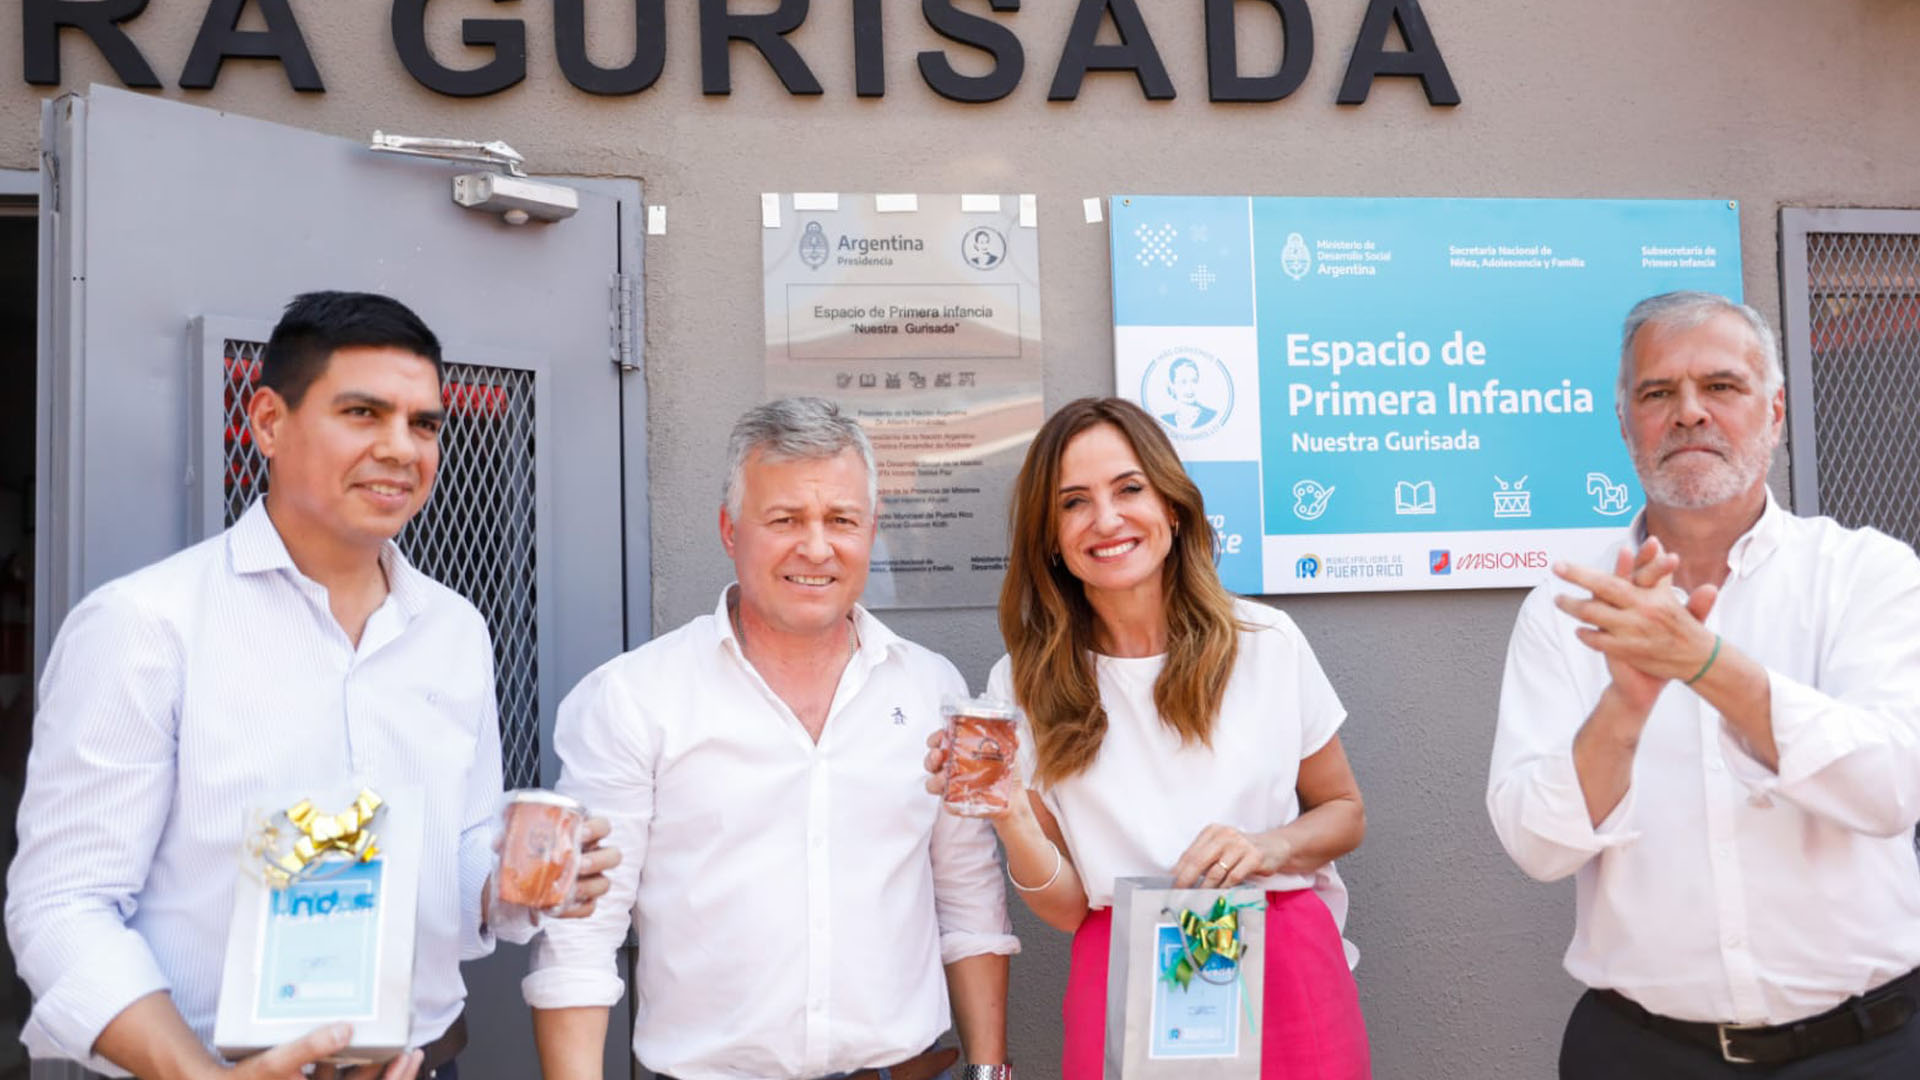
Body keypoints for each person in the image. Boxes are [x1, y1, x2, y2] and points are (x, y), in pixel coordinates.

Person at [5, 291, 615, 1080]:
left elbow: (454, 856)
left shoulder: (454, 629)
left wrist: (516, 881)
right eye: (363, 412)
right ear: (267, 422)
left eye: (424, 423)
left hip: (423, 1065)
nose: (402, 448)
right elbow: (62, 907)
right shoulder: (146, 625)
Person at [1487, 291, 1920, 1078]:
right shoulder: (1566, 609)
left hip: (1869, 1049)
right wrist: (1626, 703)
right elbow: (1537, 847)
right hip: (1643, 1052)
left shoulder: (1870, 575)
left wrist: (1706, 666)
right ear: (1625, 423)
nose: (1689, 413)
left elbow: (1891, 788)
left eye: (1721, 386)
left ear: (1776, 409)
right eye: (1658, 393)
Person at [525, 397, 1019, 1080]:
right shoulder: (634, 699)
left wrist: (989, 1070)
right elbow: (581, 929)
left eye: (840, 520)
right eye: (784, 519)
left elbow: (969, 900)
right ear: (731, 530)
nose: (816, 547)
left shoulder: (930, 689)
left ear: (872, 530)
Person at [927, 396, 1371, 1079]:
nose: (1106, 520)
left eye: (1129, 488)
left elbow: (1345, 814)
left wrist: (1265, 845)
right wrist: (1010, 816)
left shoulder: (1266, 643)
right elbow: (1069, 906)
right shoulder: (1021, 684)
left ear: (1172, 506)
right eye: (1073, 502)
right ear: (1050, 536)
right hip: (1124, 968)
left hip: (1282, 958)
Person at [1156, 356, 1218, 432]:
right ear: (1172, 386)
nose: (1190, 388)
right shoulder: (1163, 420)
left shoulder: (1211, 416)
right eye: (1183, 382)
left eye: (1194, 381)